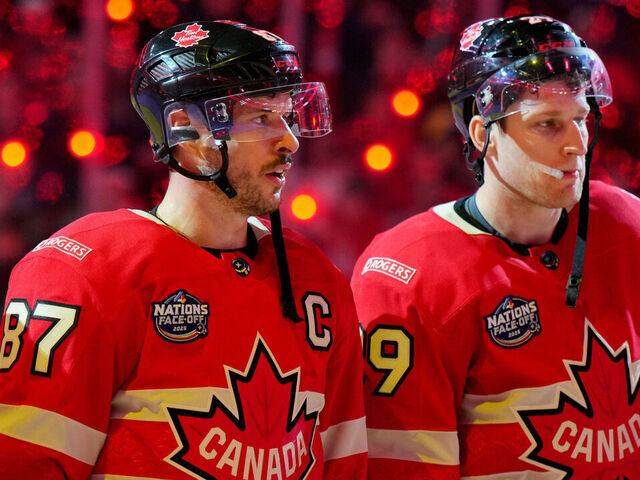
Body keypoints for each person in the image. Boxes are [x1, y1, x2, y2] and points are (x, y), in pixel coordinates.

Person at [0, 21, 366, 479]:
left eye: (288, 116)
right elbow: (27, 466)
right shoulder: (84, 276)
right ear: (183, 128)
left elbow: (343, 466)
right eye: (261, 118)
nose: (289, 141)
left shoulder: (318, 279)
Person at [352, 14, 640, 479]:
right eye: (548, 124)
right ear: (483, 134)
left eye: (581, 119)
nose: (577, 146)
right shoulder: (408, 275)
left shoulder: (629, 226)